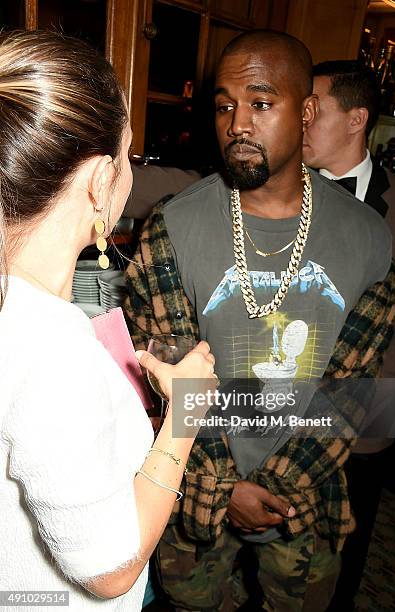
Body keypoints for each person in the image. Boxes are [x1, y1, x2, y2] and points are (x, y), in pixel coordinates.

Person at [125, 31, 395, 611]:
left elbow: (351, 389)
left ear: (306, 111)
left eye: (261, 102)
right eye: (225, 105)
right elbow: (166, 379)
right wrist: (229, 490)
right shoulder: (171, 227)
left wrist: (270, 488)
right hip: (193, 489)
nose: (238, 124)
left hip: (306, 496)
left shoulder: (369, 237)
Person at [0, 30, 217, 611]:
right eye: (128, 156)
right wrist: (185, 416)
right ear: (100, 180)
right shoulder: (51, 352)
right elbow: (110, 567)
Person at [302, 59, 395, 610]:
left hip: (366, 418)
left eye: (314, 109)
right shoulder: (275, 187)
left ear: (356, 119)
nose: (299, 121)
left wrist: (360, 407)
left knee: (344, 555)